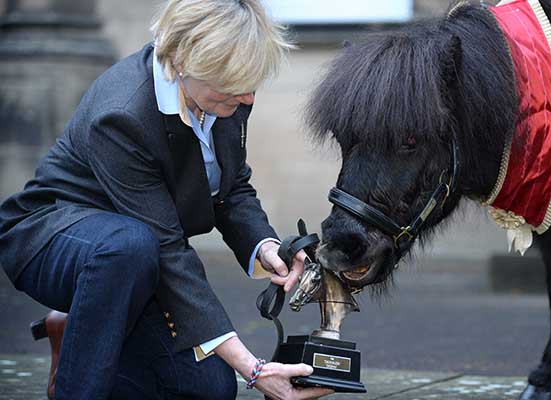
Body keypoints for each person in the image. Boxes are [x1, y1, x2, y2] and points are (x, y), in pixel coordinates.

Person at [0, 1, 334, 399]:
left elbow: (231, 187)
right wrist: (254, 368)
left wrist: (265, 247)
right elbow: (167, 251)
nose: (246, 97)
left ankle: (83, 329)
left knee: (209, 389)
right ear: (180, 61)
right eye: (232, 85)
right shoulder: (122, 114)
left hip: (134, 257)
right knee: (127, 247)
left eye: (251, 84)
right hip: (55, 237)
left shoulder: (225, 92)